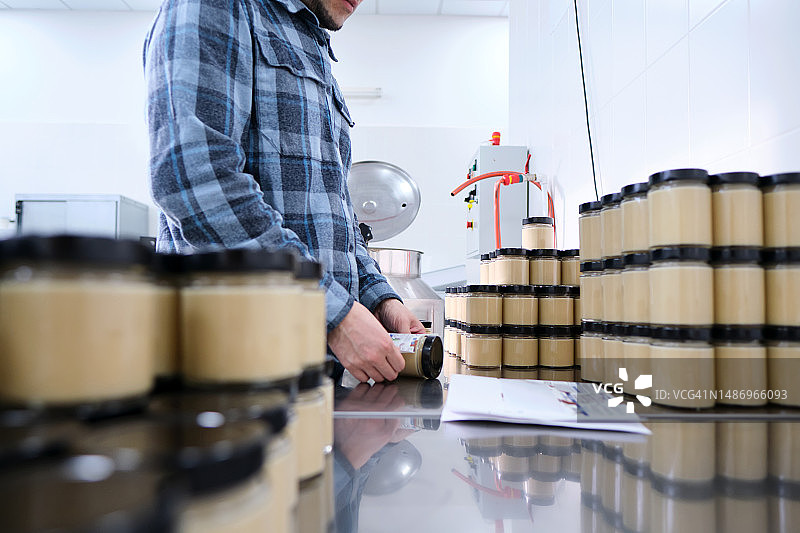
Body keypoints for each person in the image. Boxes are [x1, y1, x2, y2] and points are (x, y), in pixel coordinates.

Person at [143, 0, 424, 382]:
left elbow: (335, 211)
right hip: (228, 366)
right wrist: (333, 312)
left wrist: (379, 296)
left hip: (308, 371)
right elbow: (193, 179)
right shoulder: (219, 7)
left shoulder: (311, 40)